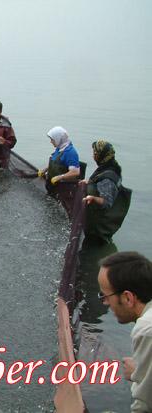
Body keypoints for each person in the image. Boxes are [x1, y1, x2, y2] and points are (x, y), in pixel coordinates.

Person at [97, 252, 152, 413]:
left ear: (128, 298)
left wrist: (137, 378)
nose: (105, 303)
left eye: (105, 296)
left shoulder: (146, 330)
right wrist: (141, 371)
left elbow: (144, 405)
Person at [82, 140, 131, 244]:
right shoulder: (109, 168)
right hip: (99, 224)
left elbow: (106, 202)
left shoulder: (108, 178)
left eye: (95, 153)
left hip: (97, 229)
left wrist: (93, 198)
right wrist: (90, 182)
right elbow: (100, 185)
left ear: (101, 156)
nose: (93, 156)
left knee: (89, 252)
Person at [38, 126, 82, 217]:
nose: (51, 142)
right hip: (53, 187)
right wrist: (45, 170)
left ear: (59, 139)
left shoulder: (70, 152)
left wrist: (60, 177)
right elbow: (55, 161)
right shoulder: (59, 148)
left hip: (63, 190)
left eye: (52, 140)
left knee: (60, 213)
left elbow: (75, 172)